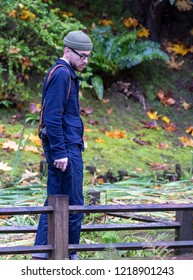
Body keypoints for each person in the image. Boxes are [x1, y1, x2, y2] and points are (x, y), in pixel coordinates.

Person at [32, 30, 93, 260]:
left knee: (55, 199)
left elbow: (64, 115)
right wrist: (60, 151)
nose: (85, 61)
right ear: (67, 50)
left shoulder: (65, 73)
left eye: (88, 57)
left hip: (68, 145)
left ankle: (41, 254)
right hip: (65, 149)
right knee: (74, 203)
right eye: (82, 56)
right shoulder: (62, 75)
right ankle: (69, 255)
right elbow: (53, 116)